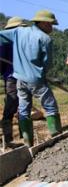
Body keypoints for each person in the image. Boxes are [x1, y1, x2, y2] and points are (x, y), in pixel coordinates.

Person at [0, 10, 62, 147]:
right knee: (50, 106)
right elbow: (47, 63)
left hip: (20, 80)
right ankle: (57, 137)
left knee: (23, 109)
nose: (52, 28)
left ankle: (28, 142)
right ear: (44, 23)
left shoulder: (18, 33)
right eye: (51, 25)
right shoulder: (45, 39)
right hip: (35, 79)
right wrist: (41, 74)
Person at [0, 17, 28, 147]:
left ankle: (26, 136)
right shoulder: (5, 41)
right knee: (11, 106)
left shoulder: (23, 41)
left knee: (24, 105)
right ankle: (8, 139)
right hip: (12, 77)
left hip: (24, 76)